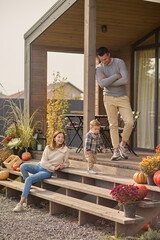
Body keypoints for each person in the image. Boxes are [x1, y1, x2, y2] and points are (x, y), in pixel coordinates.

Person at [13, 131, 70, 212]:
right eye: (59, 137)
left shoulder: (66, 150)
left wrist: (63, 166)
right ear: (54, 138)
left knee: (29, 179)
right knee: (23, 166)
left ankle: (20, 204)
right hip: (39, 166)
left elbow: (67, 162)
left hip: (47, 172)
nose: (61, 139)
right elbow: (43, 162)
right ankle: (28, 185)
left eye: (62, 137)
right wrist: (54, 167)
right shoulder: (48, 147)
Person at [96, 47, 134, 161]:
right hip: (108, 98)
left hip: (122, 97)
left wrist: (108, 80)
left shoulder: (119, 62)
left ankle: (123, 144)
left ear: (109, 54)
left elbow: (125, 80)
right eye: (101, 60)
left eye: (105, 59)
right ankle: (116, 150)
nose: (104, 62)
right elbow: (101, 85)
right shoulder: (99, 68)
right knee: (113, 125)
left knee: (130, 122)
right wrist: (115, 76)